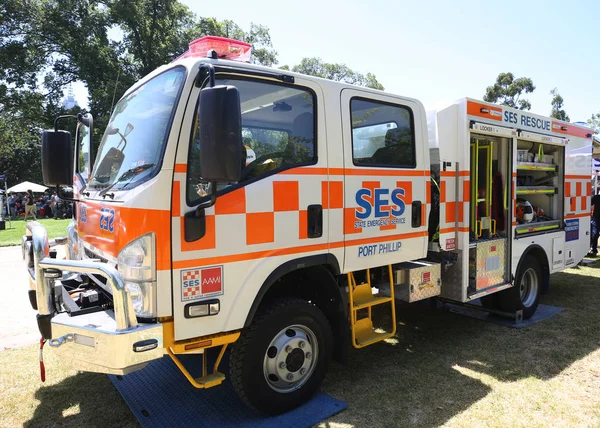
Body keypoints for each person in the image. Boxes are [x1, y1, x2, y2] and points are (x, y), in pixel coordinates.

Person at [589, 191, 600, 257]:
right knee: (595, 234)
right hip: (596, 219)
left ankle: (593, 250)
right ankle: (593, 250)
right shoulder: (596, 197)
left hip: (596, 219)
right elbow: (589, 203)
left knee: (595, 234)